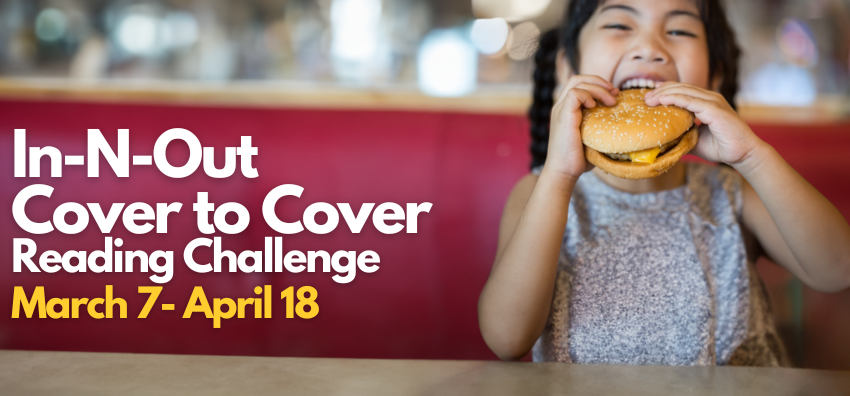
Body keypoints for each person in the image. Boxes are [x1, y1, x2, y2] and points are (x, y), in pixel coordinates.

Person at [477, 0, 850, 366]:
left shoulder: (731, 191)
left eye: (679, 30)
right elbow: (507, 339)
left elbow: (837, 270)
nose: (650, 48)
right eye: (619, 25)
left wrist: (751, 157)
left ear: (714, 77)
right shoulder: (540, 193)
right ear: (566, 68)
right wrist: (558, 177)